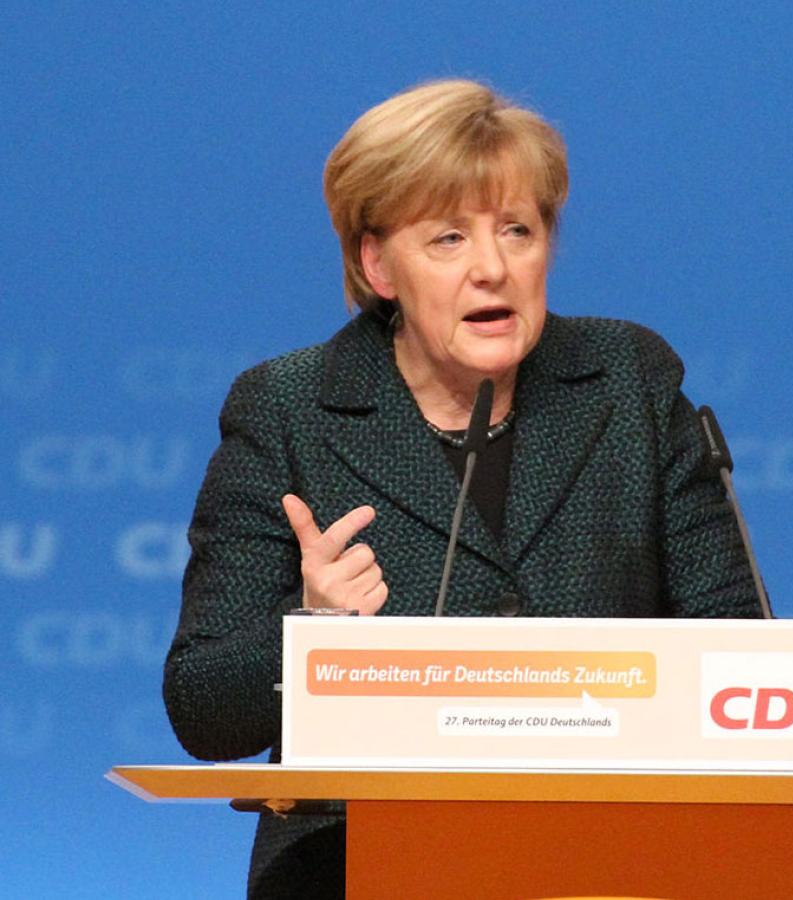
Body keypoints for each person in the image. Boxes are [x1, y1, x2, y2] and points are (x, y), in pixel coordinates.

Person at [163, 79, 760, 899]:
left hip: (614, 860)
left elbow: (738, 651)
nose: (492, 268)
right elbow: (201, 707)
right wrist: (314, 633)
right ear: (378, 264)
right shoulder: (289, 409)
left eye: (517, 230)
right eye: (447, 238)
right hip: (356, 865)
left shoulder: (628, 381)